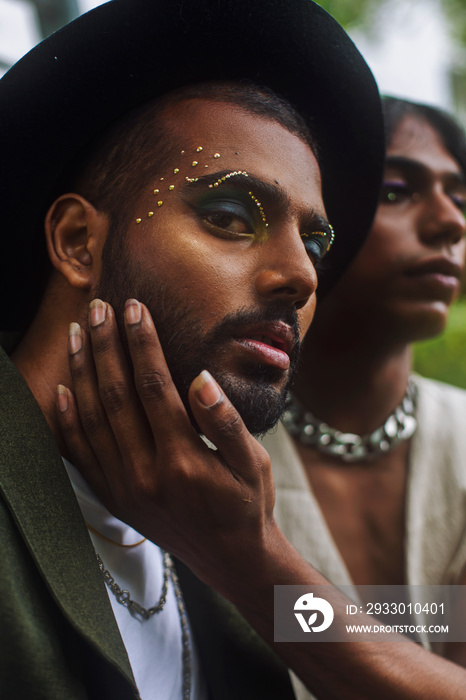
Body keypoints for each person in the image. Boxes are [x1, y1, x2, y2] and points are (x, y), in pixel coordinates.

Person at [0, 0, 385, 698]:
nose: (301, 276)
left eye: (315, 243)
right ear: (79, 243)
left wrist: (257, 563)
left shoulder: (229, 516)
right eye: (232, 217)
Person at [262, 96, 466, 698]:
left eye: (460, 196)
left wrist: (248, 559)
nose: (451, 222)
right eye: (399, 192)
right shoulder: (213, 439)